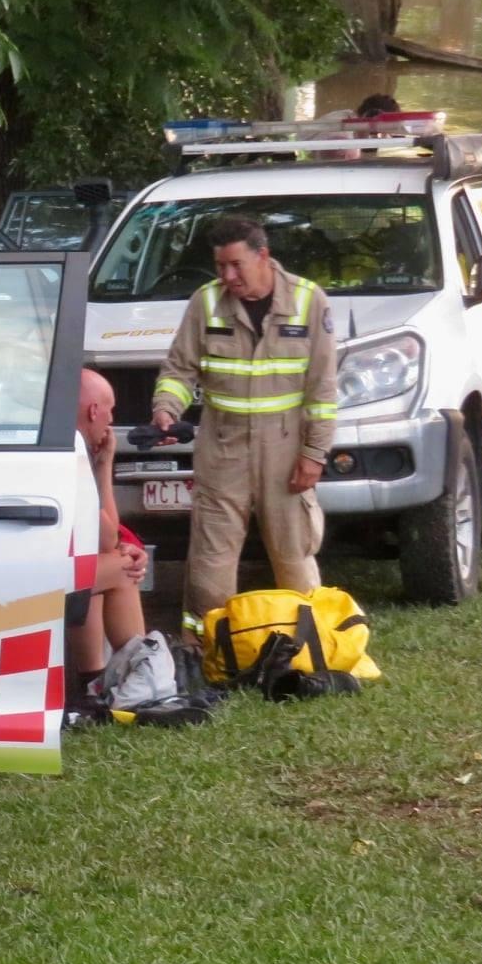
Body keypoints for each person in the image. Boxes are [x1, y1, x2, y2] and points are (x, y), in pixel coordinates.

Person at [152, 216, 337, 641]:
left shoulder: (310, 301)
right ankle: (205, 653)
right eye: (220, 267)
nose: (227, 276)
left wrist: (314, 454)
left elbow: (322, 389)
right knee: (210, 565)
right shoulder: (206, 302)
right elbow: (179, 370)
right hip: (222, 450)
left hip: (286, 451)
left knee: (294, 557)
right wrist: (167, 408)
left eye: (236, 265)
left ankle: (310, 648)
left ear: (263, 256)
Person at [69, 368, 147, 695]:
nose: (111, 420)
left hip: (33, 566)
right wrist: (105, 466)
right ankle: (142, 676)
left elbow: (103, 538)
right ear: (93, 411)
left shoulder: (55, 442)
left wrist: (101, 465)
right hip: (32, 579)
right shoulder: (69, 452)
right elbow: (107, 538)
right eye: (110, 410)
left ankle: (93, 681)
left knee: (105, 564)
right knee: (123, 570)